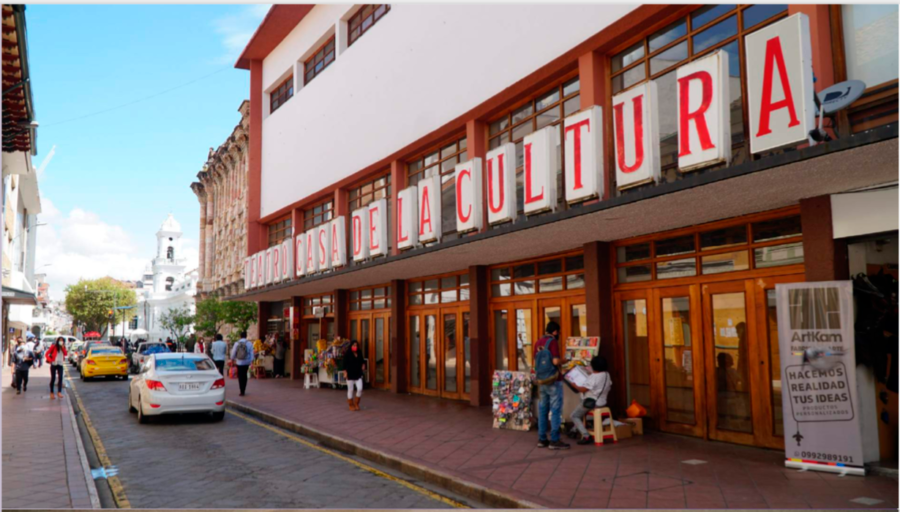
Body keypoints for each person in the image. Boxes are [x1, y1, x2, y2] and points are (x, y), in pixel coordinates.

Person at [534, 321, 569, 450]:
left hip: (542, 380)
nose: (558, 334)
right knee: (555, 410)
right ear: (555, 331)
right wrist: (564, 360)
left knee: (543, 409)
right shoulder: (552, 342)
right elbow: (555, 361)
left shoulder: (538, 342)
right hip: (554, 380)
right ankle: (554, 440)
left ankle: (542, 439)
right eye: (558, 332)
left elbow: (536, 362)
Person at [569, 356, 612, 445]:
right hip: (602, 402)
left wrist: (573, 384)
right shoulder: (607, 374)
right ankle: (573, 430)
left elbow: (582, 390)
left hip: (591, 403)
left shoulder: (594, 376)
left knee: (574, 415)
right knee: (580, 410)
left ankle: (586, 435)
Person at [343, 340, 366, 411]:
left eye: (356, 345)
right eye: (354, 345)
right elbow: (344, 364)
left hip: (358, 374)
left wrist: (363, 365)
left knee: (360, 388)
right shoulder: (348, 353)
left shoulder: (359, 352)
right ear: (351, 346)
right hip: (350, 374)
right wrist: (345, 372)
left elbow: (362, 361)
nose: (355, 347)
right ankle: (351, 404)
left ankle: (356, 403)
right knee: (351, 390)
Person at [230, 331, 254, 396]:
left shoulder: (236, 343)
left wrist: (232, 359)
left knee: (240, 376)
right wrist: (252, 362)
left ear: (240, 336)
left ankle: (241, 390)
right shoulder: (249, 343)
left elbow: (233, 353)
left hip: (239, 362)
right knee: (245, 375)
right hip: (246, 362)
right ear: (246, 336)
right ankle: (244, 388)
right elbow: (252, 353)